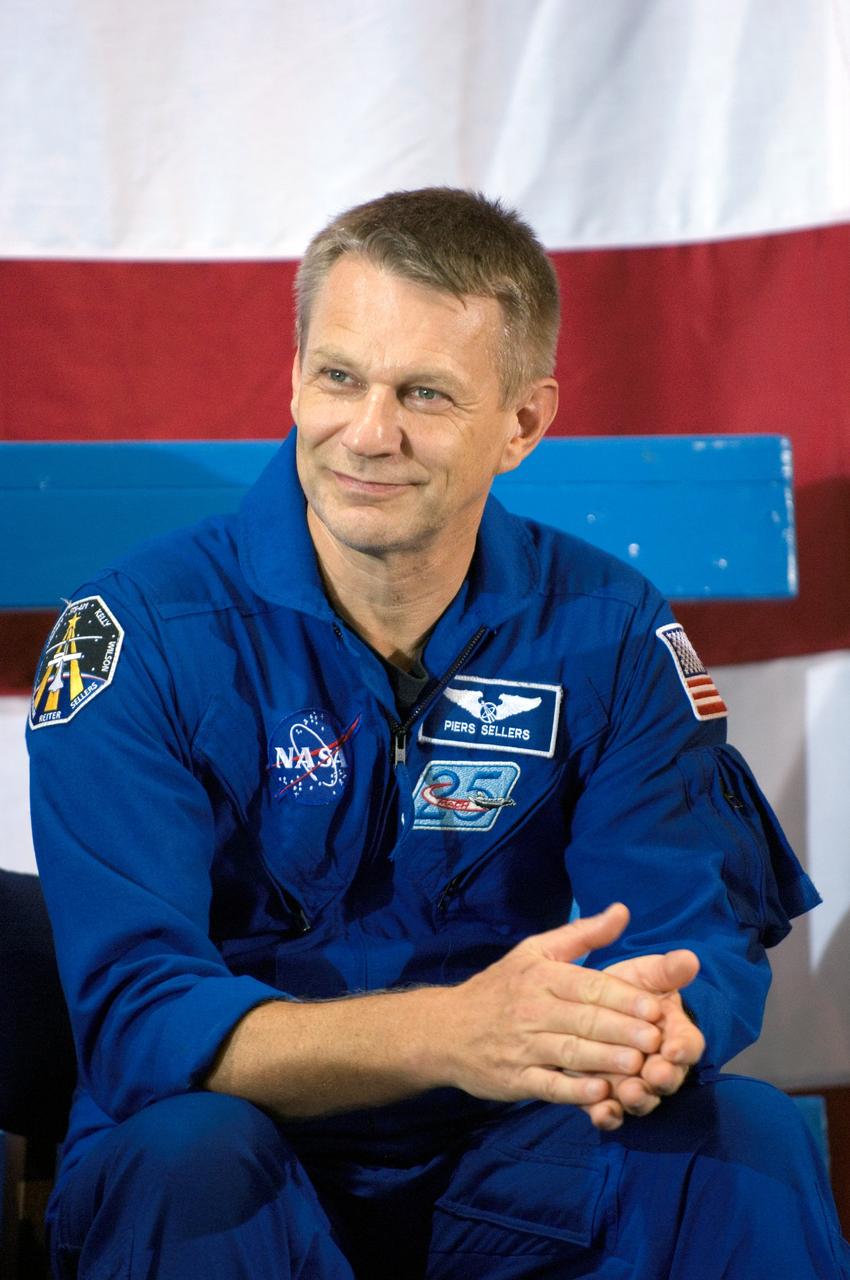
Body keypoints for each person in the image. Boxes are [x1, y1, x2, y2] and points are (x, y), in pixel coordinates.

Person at [27, 188, 849, 1279]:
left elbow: (688, 932)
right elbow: (140, 1022)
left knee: (739, 1141)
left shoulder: (607, 628)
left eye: (424, 391)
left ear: (523, 423)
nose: (369, 432)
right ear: (294, 376)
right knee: (186, 1155)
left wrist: (656, 1025)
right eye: (337, 377)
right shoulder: (141, 635)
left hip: (512, 1143)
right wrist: (452, 1031)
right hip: (233, 1143)